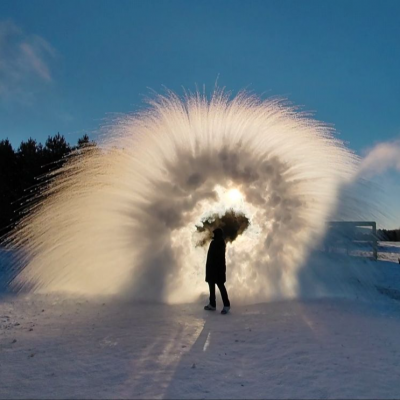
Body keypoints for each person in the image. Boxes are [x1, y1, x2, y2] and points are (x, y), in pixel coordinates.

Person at [204, 228, 231, 314]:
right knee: (211, 286)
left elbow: (217, 258)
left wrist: (213, 267)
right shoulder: (215, 242)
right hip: (212, 269)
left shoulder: (219, 243)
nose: (213, 235)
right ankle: (212, 304)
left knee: (221, 286)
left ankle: (226, 305)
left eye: (215, 234)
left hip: (218, 269)